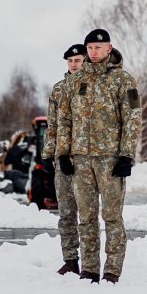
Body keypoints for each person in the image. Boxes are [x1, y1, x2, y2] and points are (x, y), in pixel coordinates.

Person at [56, 29, 140, 284]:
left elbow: (133, 119)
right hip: (81, 159)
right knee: (87, 217)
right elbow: (65, 118)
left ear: (109, 48)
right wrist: (63, 153)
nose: (93, 52)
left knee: (112, 217)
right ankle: (89, 269)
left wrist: (127, 155)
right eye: (90, 48)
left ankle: (112, 270)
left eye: (98, 48)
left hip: (110, 160)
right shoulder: (75, 80)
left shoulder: (123, 80)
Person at [42, 43, 86, 275]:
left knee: (88, 213)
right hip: (63, 158)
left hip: (87, 158)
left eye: (78, 60)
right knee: (67, 212)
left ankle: (90, 262)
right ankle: (70, 259)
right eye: (70, 61)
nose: (73, 64)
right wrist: (49, 155)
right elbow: (53, 125)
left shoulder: (93, 87)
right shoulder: (59, 90)